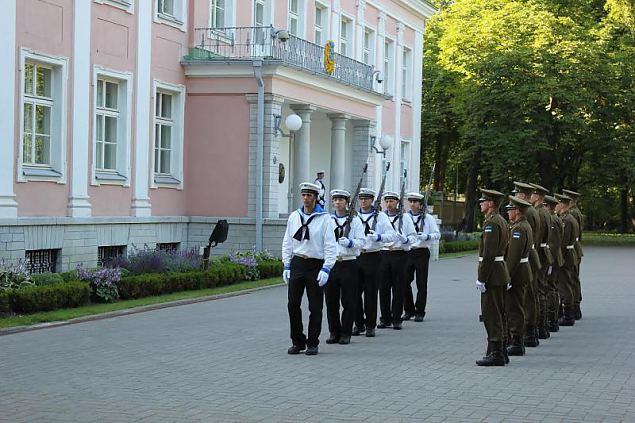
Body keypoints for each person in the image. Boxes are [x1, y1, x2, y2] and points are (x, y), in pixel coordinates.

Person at [282, 182, 338, 355]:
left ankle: (313, 342)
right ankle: (297, 341)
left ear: (315, 197)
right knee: (293, 304)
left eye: (309, 195)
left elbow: (330, 245)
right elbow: (288, 241)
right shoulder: (294, 216)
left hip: (315, 265)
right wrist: (286, 264)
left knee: (315, 307)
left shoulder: (325, 219)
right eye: (304, 195)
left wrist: (327, 268)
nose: (306, 199)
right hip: (298, 263)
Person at [353, 188, 397, 337]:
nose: (363, 201)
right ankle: (358, 323)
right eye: (361, 198)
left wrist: (378, 237)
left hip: (373, 256)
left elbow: (392, 235)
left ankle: (370, 325)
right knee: (354, 293)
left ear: (372, 200)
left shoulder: (381, 217)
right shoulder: (354, 216)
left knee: (371, 293)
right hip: (356, 256)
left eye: (366, 198)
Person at [325, 189, 366, 345]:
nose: (337, 202)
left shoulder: (355, 221)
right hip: (332, 263)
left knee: (348, 300)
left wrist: (351, 243)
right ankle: (333, 331)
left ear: (347, 202)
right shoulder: (327, 220)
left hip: (349, 262)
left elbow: (362, 242)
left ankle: (346, 332)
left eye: (341, 200)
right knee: (331, 300)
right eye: (335, 200)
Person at [475, 188, 510, 367]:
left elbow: (488, 254)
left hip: (493, 274)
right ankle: (500, 350)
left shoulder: (492, 223)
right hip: (499, 271)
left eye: (483, 201)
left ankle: (496, 352)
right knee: (499, 312)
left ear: (491, 204)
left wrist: (481, 277)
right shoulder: (501, 221)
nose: (480, 203)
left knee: (491, 314)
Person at [379, 191, 417, 330]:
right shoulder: (381, 217)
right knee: (383, 288)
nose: (389, 204)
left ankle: (396, 318)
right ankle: (385, 317)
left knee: (398, 287)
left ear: (397, 202)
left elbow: (413, 236)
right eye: (387, 201)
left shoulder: (405, 218)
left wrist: (405, 240)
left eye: (392, 201)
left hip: (399, 254)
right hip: (383, 254)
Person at [403, 192, 441, 322]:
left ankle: (420, 311)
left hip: (421, 252)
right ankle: (408, 310)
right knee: (404, 282)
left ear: (420, 204)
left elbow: (437, 234)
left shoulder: (428, 218)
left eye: (415, 202)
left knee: (421, 283)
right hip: (408, 252)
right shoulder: (405, 217)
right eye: (411, 202)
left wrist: (427, 237)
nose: (412, 204)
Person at [512, 181, 541, 348]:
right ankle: (531, 330)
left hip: (527, 256)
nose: (515, 197)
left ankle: (529, 331)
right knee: (530, 295)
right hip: (531, 254)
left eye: (516, 194)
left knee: (528, 297)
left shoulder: (527, 213)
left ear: (522, 196)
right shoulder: (532, 210)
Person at [504, 196, 533, 357]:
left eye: (511, 209)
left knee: (514, 308)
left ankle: (516, 341)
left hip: (517, 273)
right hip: (522, 271)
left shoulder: (518, 229)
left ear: (518, 211)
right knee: (516, 306)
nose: (509, 212)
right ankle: (516, 340)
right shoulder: (522, 225)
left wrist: (507, 277)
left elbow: (513, 257)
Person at [529, 183, 554, 340]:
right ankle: (542, 326)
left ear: (537, 196)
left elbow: (536, 239)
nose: (530, 196)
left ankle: (539, 326)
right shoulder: (543, 212)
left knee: (538, 291)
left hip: (539, 253)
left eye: (532, 194)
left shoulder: (538, 213)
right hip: (544, 253)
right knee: (541, 290)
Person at [555, 193, 579, 327]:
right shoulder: (567, 218)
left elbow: (563, 243)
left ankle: (568, 315)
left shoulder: (567, 220)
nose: (556, 207)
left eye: (557, 204)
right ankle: (568, 312)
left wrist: (559, 258)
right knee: (566, 284)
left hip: (566, 256)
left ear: (563, 204)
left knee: (564, 286)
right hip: (569, 255)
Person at [563, 189, 583, 320]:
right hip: (575, 248)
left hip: (573, 248)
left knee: (571, 279)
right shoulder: (575, 212)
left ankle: (574, 306)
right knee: (573, 279)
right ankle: (575, 306)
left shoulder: (573, 213)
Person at [544, 195, 564, 332]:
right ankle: (553, 317)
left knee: (550, 288)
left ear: (547, 206)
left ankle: (552, 318)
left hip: (552, 258)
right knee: (552, 287)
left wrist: (550, 261)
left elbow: (554, 243)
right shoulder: (553, 218)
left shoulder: (553, 220)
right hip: (553, 258)